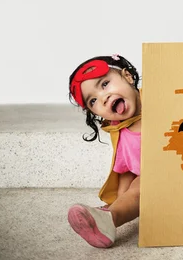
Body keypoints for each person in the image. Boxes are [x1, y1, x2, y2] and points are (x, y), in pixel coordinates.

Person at [66, 54, 142, 248]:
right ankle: (108, 219)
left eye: (105, 84)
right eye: (93, 101)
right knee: (139, 187)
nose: (103, 97)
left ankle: (106, 217)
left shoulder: (160, 98)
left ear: (128, 77)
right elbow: (126, 170)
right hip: (156, 181)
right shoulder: (121, 133)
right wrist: (120, 200)